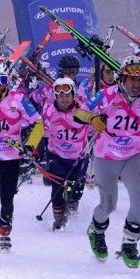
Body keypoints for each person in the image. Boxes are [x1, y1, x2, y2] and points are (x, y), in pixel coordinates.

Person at [78, 56, 140, 268]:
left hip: (133, 156)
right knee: (109, 205)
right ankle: (96, 231)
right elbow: (79, 112)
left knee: (139, 201)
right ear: (123, 78)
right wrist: (92, 119)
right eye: (132, 80)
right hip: (106, 157)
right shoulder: (107, 95)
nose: (137, 85)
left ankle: (130, 243)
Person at [0, 61, 43, 253]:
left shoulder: (17, 98)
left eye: (2, 80)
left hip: (11, 155)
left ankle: (5, 231)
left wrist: (30, 146)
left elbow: (38, 123)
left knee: (7, 197)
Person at [41, 77, 91, 231]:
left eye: (68, 95)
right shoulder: (49, 111)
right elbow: (41, 132)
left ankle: (72, 201)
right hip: (56, 155)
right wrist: (35, 149)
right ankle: (59, 219)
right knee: (56, 187)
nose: (64, 99)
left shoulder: (83, 111)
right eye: (61, 96)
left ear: (74, 95)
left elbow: (93, 130)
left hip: (78, 157)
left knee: (76, 190)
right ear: (55, 97)